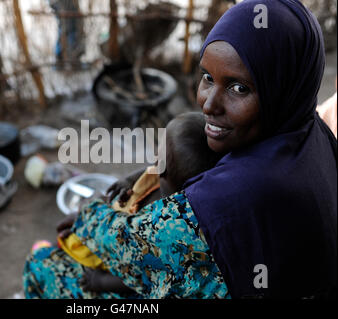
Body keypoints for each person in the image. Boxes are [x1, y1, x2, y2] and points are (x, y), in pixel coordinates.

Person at [24, 0, 336, 299]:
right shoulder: (312, 136)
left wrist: (88, 216)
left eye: (239, 87)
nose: (209, 105)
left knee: (40, 268)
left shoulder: (231, 199)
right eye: (207, 78)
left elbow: (134, 250)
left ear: (281, 87)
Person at [56, 112, 221, 293]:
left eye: (160, 153)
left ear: (164, 169)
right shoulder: (175, 178)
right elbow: (149, 170)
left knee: (66, 256)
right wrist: (128, 180)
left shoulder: (165, 229)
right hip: (115, 228)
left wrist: (100, 282)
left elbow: (146, 277)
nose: (155, 159)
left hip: (121, 264)